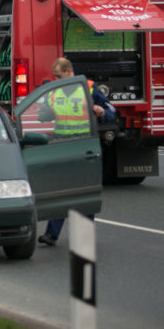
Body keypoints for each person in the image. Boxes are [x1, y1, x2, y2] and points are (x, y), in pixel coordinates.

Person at [37, 57, 115, 246]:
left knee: (85, 193)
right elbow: (43, 116)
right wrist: (45, 111)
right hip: (62, 147)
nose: (56, 79)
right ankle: (51, 235)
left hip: (84, 147)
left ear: (68, 71)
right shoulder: (54, 92)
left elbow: (111, 111)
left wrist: (102, 112)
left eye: (58, 75)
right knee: (59, 191)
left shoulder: (88, 88)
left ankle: (84, 236)